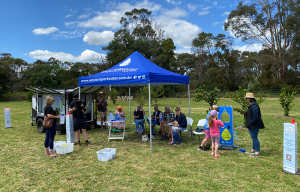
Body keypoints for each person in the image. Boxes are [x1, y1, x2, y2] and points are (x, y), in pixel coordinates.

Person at [245, 93, 265, 157]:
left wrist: (251, 123)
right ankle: (253, 149)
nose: (246, 99)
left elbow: (255, 116)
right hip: (252, 124)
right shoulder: (252, 105)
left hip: (254, 125)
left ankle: (257, 152)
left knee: (254, 138)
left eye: (247, 98)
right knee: (253, 138)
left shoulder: (254, 106)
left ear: (250, 98)